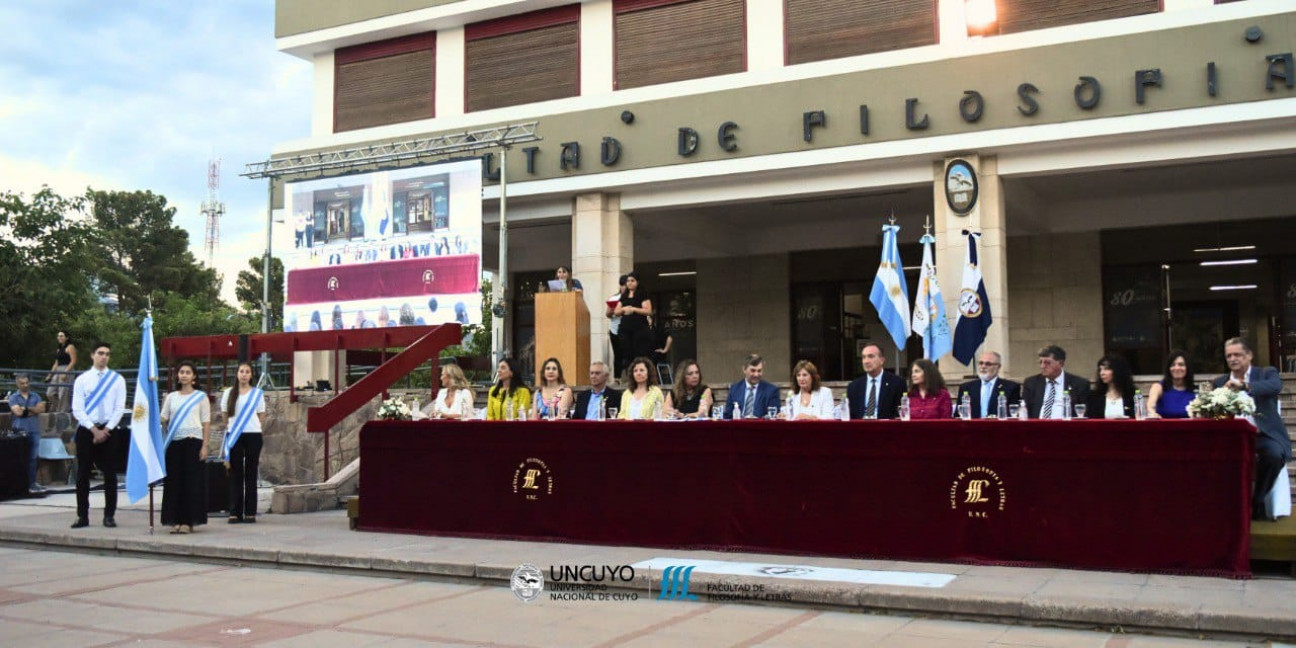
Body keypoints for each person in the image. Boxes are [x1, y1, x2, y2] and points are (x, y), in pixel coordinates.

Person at [1214, 337, 1291, 520]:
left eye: (1237, 354)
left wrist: (1244, 386)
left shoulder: (1266, 373)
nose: (1233, 359)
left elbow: (1275, 387)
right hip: (1231, 437)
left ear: (1249, 355)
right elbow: (1214, 409)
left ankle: (1256, 501)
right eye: (1229, 356)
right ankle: (1222, 506)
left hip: (1262, 435)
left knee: (1274, 455)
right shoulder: (1220, 382)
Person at [70, 342, 126, 529]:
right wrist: (94, 430)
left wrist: (106, 430)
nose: (104, 357)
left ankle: (109, 515)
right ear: (92, 355)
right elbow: (77, 409)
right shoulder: (82, 380)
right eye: (100, 353)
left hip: (109, 429)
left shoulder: (117, 380)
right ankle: (82, 516)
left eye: (107, 354)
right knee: (83, 474)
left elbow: (119, 408)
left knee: (110, 474)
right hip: (87, 430)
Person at [160, 362, 211, 534]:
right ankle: (175, 519)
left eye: (188, 372)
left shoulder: (201, 397)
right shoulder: (171, 397)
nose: (184, 375)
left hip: (193, 442)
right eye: (181, 372)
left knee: (192, 483)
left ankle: (188, 521)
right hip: (174, 443)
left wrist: (205, 445)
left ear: (194, 376)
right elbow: (163, 418)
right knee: (174, 483)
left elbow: (206, 423)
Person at [219, 362, 267, 524]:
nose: (244, 374)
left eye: (247, 371)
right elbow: (225, 414)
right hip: (235, 435)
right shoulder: (229, 393)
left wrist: (253, 426)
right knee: (235, 473)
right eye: (241, 371)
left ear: (251, 375)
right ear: (237, 374)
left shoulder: (257, 393)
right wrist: (233, 427)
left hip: (253, 435)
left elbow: (261, 414)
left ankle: (250, 512)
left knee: (251, 473)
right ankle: (235, 511)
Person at [1022, 345, 1091, 419]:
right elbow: (1024, 411)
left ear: (1061, 363)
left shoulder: (1079, 384)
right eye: (1040, 362)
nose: (1042, 366)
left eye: (1047, 363)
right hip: (1037, 427)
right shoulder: (1031, 383)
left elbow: (1084, 414)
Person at [9, 374, 46, 495]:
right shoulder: (14, 397)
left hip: (34, 430)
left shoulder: (35, 395)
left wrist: (25, 409)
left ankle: (32, 483)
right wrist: (32, 409)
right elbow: (18, 412)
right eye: (22, 383)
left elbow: (41, 409)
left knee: (33, 458)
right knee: (20, 459)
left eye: (26, 383)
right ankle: (20, 484)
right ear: (17, 384)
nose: (25, 385)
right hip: (19, 432)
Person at [846, 344, 905, 419]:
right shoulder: (854, 386)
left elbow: (899, 413)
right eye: (863, 357)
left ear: (882, 360)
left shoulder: (897, 383)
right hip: (860, 428)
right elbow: (851, 415)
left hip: (886, 428)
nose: (866, 361)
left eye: (871, 356)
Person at [956, 351, 1021, 419]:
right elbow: (958, 414)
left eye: (988, 364)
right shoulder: (966, 387)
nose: (983, 366)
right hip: (972, 427)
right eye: (981, 363)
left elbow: (1013, 414)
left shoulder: (1011, 387)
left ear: (998, 367)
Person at [614, 273, 654, 379]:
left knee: (640, 354)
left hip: (639, 329)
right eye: (628, 281)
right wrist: (623, 309)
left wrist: (634, 309)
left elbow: (648, 310)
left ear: (637, 282)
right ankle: (630, 377)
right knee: (627, 355)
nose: (629, 283)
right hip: (625, 329)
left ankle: (643, 376)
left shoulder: (642, 294)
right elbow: (616, 311)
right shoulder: (624, 296)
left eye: (632, 281)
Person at [723, 354, 781, 419]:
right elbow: (728, 415)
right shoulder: (735, 389)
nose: (756, 374)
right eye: (753, 370)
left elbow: (774, 416)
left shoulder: (771, 391)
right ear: (744, 369)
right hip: (738, 427)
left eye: (759, 371)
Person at [1147, 349, 1195, 419]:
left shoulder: (1195, 391)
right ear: (1168, 369)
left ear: (1187, 368)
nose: (1177, 368)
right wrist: (1152, 413)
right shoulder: (1158, 387)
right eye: (1173, 365)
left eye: (1181, 364)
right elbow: (1150, 406)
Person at [1084, 355, 1135, 419]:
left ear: (1118, 370)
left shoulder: (1131, 394)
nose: (1102, 373)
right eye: (1100, 370)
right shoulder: (1095, 396)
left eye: (1106, 369)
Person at [46, 330, 77, 413]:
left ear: (66, 337)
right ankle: (59, 408)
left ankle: (63, 411)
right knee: (50, 393)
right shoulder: (59, 349)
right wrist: (50, 375)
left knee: (63, 393)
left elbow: (73, 361)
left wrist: (65, 372)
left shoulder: (70, 347)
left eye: (61, 336)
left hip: (67, 369)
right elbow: (56, 363)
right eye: (58, 336)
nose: (59, 337)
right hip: (58, 370)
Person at [606, 275, 628, 380]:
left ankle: (628, 377)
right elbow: (607, 314)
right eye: (622, 285)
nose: (625, 287)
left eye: (626, 284)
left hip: (628, 329)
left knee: (627, 353)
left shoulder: (633, 297)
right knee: (617, 354)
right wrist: (614, 311)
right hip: (615, 329)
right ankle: (617, 378)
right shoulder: (614, 298)